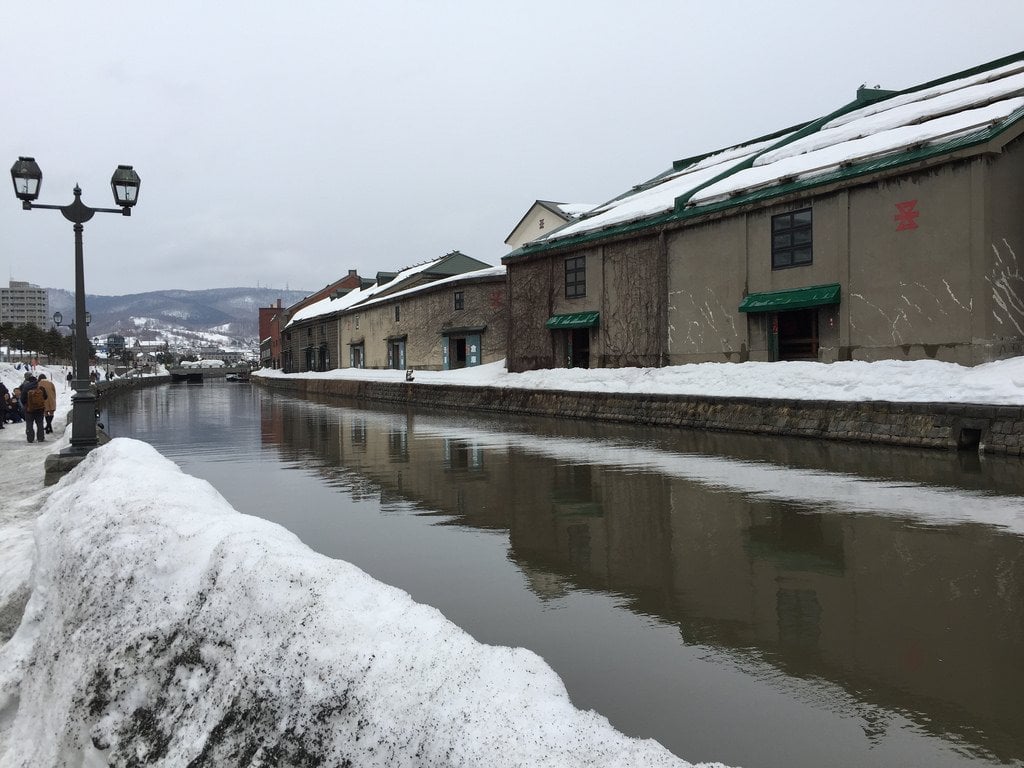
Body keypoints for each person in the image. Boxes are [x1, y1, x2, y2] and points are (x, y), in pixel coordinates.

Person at [20, 374, 47, 443]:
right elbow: (45, 396)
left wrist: (26, 404)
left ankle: (30, 438)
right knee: (40, 423)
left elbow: (22, 399)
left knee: (29, 423)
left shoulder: (25, 387)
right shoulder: (40, 387)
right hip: (40, 409)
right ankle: (40, 438)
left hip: (29, 409)